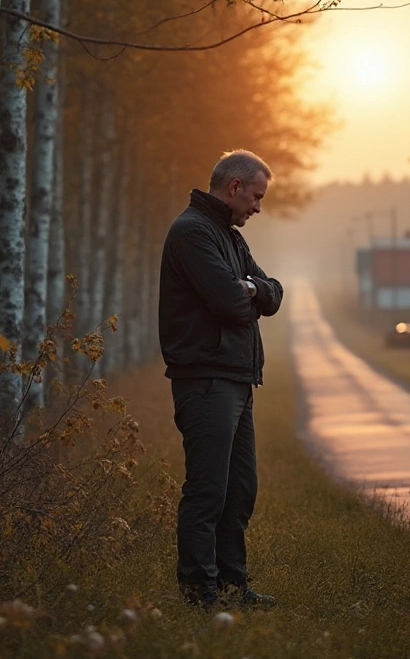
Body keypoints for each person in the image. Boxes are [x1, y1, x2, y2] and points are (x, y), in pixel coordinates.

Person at [158, 149, 283, 608]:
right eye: (255, 195)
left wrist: (250, 287)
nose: (257, 206)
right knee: (208, 490)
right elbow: (232, 306)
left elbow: (272, 293)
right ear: (234, 188)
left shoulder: (228, 236)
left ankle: (233, 587)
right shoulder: (192, 232)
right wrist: (247, 292)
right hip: (206, 379)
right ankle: (199, 594)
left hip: (235, 378)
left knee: (239, 490)